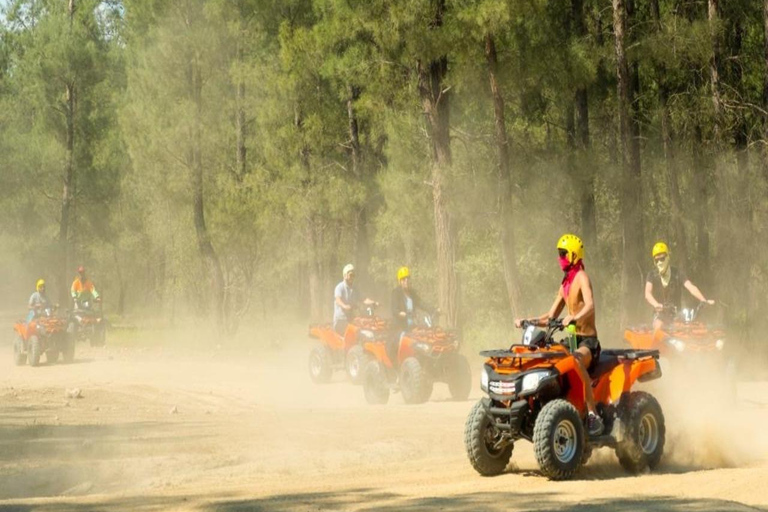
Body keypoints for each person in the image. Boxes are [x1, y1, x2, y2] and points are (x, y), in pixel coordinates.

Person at [514, 234, 604, 436]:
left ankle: (592, 414)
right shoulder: (565, 284)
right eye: (558, 254)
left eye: (563, 254)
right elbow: (550, 315)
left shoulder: (582, 277)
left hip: (587, 342)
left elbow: (590, 305)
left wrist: (574, 317)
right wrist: (528, 321)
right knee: (547, 355)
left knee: (576, 360)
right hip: (570, 341)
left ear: (573, 255)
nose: (559, 258)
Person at [644, 242, 714, 330]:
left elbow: (691, 287)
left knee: (692, 328)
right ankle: (655, 344)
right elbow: (647, 293)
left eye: (662, 258)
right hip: (659, 315)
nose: (660, 262)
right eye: (657, 260)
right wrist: (656, 305)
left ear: (667, 257)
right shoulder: (652, 275)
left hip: (677, 315)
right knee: (658, 326)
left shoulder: (677, 273)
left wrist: (703, 300)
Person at [389, 266, 435, 365]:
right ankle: (397, 366)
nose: (406, 281)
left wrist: (433, 310)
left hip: (412, 327)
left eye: (408, 279)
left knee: (423, 341)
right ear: (400, 281)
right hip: (399, 328)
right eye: (404, 279)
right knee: (401, 342)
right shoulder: (396, 293)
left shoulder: (412, 293)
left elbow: (421, 303)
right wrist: (404, 314)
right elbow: (395, 310)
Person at [333, 264, 376, 336]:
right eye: (350, 275)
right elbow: (338, 299)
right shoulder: (340, 287)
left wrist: (374, 302)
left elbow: (364, 299)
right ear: (345, 275)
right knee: (356, 332)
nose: (352, 277)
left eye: (353, 275)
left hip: (351, 319)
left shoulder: (355, 288)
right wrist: (344, 306)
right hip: (340, 321)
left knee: (367, 327)